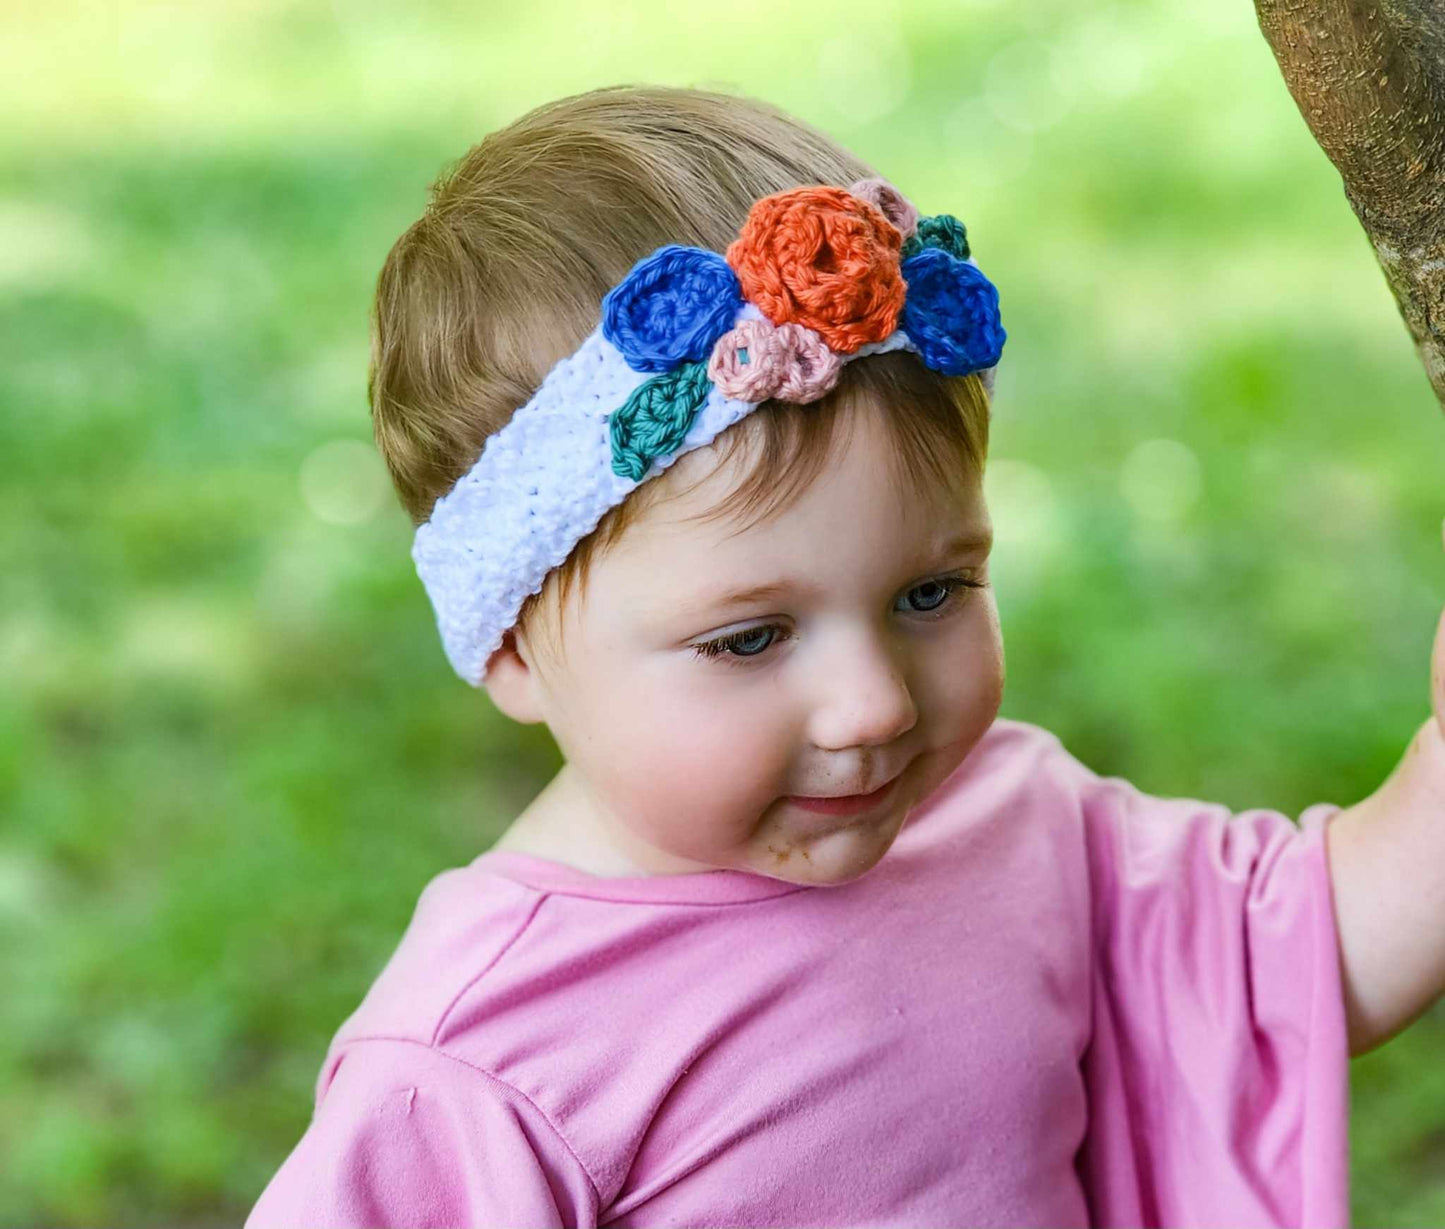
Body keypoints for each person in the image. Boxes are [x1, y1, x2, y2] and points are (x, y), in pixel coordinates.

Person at [245, 82, 1445, 1227]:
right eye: (750, 637)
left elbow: (1307, 952)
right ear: (510, 645)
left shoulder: (1008, 825)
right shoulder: (480, 1062)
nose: (871, 705)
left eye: (930, 590)